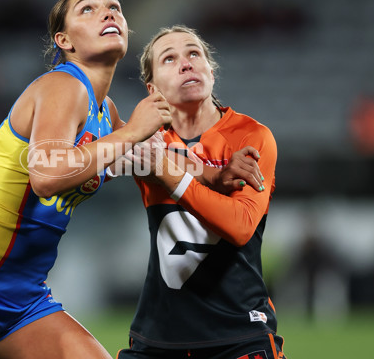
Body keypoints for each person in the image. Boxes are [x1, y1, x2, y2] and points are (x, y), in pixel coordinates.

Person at [0, 0, 174, 359]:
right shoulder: (62, 86)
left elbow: (150, 163)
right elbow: (46, 176)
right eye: (88, 9)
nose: (108, 12)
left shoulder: (105, 113)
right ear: (65, 41)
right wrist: (133, 132)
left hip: (24, 302)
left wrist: (217, 173)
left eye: (114, 7)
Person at [117, 25, 286, 359]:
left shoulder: (250, 135)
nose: (186, 63)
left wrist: (169, 174)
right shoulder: (145, 139)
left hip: (239, 334)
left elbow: (240, 226)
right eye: (169, 59)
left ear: (211, 70)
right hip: (157, 337)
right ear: (152, 89)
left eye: (194, 53)